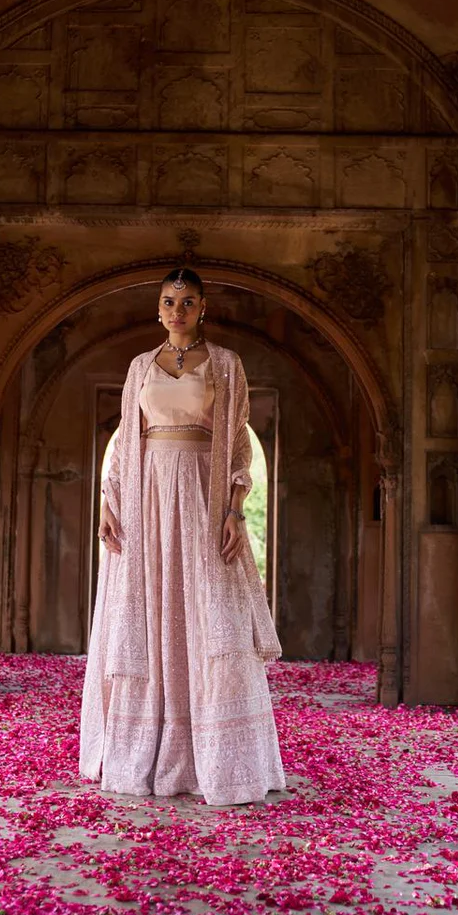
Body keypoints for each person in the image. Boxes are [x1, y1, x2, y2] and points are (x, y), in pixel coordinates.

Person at [79, 268, 286, 806]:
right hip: (145, 499)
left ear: (202, 308)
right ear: (158, 308)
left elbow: (237, 443)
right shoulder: (139, 367)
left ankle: (218, 757)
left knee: (211, 611)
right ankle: (145, 746)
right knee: (148, 610)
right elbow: (126, 441)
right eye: (169, 302)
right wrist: (109, 502)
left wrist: (235, 510)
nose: (178, 311)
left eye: (188, 301)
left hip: (202, 494)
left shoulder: (226, 364)